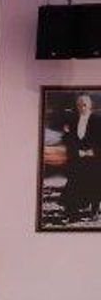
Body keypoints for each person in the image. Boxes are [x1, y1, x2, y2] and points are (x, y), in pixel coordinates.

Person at [61, 92, 101, 222]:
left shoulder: (98, 120)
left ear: (90, 105)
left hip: (94, 159)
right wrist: (75, 149)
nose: (82, 107)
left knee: (94, 184)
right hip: (78, 158)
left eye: (84, 105)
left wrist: (94, 152)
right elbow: (67, 139)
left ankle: (94, 211)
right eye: (79, 105)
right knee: (74, 184)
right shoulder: (72, 121)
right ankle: (73, 213)